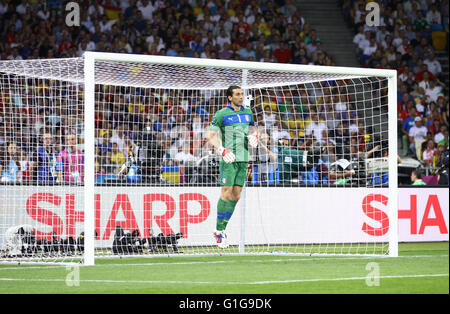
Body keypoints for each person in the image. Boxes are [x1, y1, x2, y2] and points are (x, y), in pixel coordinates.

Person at [206, 85, 258, 248]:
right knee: (226, 193)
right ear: (230, 97)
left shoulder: (248, 112)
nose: (241, 97)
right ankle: (218, 231)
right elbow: (210, 136)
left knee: (236, 196)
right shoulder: (222, 114)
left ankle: (222, 229)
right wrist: (222, 150)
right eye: (237, 94)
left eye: (242, 94)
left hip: (244, 158)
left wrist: (254, 137)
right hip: (229, 158)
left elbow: (253, 130)